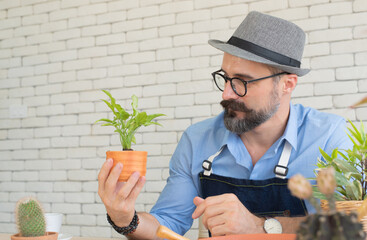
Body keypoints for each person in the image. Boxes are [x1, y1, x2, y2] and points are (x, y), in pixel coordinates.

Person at [98, 11, 352, 239]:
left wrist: (260, 226)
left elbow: (354, 227)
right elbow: (167, 225)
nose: (227, 94)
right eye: (226, 78)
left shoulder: (331, 137)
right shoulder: (197, 140)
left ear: (287, 84)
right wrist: (125, 219)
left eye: (242, 81)